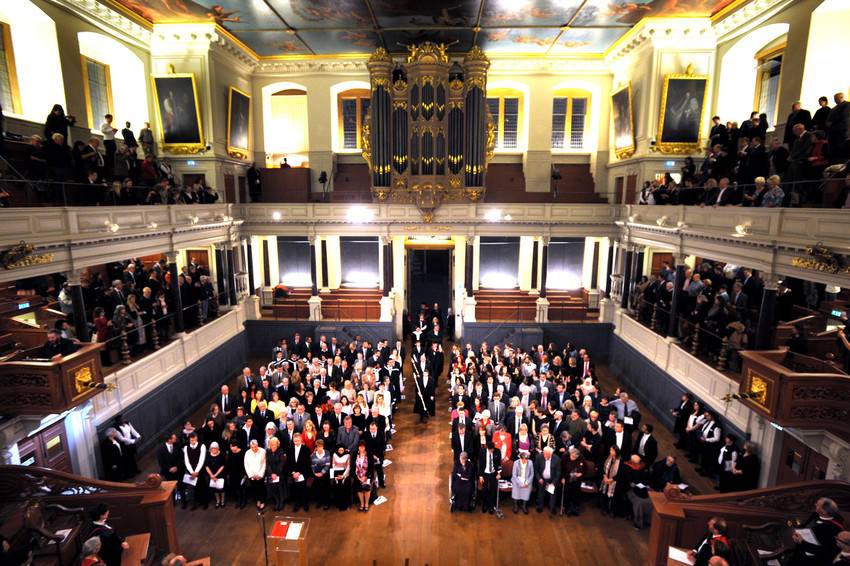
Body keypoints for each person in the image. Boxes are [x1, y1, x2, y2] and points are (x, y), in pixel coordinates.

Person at [789, 497, 845, 565]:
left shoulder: (835, 528)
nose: (815, 504)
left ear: (824, 512)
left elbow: (825, 552)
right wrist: (796, 531)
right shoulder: (815, 514)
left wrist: (802, 542)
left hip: (812, 559)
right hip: (799, 550)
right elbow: (805, 525)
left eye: (818, 505)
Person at [287, 432, 312, 511]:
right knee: (296, 488)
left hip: (303, 472)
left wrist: (299, 472)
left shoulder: (306, 449)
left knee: (303, 488)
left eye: (298, 441)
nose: (296, 442)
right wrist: (293, 473)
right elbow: (289, 463)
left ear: (301, 440)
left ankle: (305, 503)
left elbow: (307, 463)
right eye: (295, 441)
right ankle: (297, 503)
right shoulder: (290, 449)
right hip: (294, 473)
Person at [534, 446, 561, 515]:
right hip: (542, 479)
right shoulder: (539, 457)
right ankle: (539, 506)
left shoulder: (557, 459)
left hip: (551, 480)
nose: (545, 456)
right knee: (540, 494)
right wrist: (539, 478)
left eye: (547, 454)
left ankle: (552, 508)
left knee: (552, 494)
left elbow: (558, 472)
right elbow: (536, 469)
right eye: (544, 454)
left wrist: (554, 482)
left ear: (551, 454)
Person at [183, 432, 206, 510]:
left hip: (199, 470)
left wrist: (196, 471)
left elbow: (201, 460)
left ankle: (203, 503)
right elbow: (186, 461)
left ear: (196, 438)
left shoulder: (202, 446)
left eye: (193, 439)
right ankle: (194, 504)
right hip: (191, 471)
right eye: (191, 440)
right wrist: (191, 472)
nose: (192, 441)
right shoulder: (186, 447)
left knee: (201, 486)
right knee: (192, 488)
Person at [478, 441, 501, 514]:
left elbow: (498, 463)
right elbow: (480, 464)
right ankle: (484, 505)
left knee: (493, 489)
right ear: (487, 448)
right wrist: (481, 476)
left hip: (493, 473)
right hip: (485, 473)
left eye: (492, 450)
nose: (492, 451)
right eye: (490, 450)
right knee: (484, 489)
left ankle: (491, 506)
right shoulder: (482, 452)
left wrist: (499, 473)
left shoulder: (497, 451)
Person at [244, 439, 266, 510]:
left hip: (260, 474)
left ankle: (262, 501)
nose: (254, 448)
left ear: (257, 445)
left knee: (261, 488)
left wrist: (260, 474)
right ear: (250, 446)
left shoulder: (263, 451)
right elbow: (246, 465)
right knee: (255, 488)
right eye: (252, 447)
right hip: (252, 475)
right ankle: (258, 500)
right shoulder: (247, 453)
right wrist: (251, 475)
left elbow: (264, 464)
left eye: (255, 447)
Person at [265, 436, 287, 512]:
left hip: (279, 473)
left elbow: (282, 463)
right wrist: (271, 473)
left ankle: (281, 502)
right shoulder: (268, 451)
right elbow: (267, 464)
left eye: (274, 444)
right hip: (271, 473)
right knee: (273, 488)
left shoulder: (281, 451)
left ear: (277, 444)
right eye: (271, 444)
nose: (273, 446)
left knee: (279, 488)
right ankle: (276, 501)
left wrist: (276, 473)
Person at [511, 450, 534, 514]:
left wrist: (527, 482)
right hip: (517, 480)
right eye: (523, 460)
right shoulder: (516, 463)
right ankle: (515, 505)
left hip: (526, 480)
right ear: (520, 458)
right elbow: (514, 475)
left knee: (526, 491)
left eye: (526, 460)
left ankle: (524, 506)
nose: (525, 461)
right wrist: (520, 483)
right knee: (516, 490)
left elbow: (532, 474)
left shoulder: (530, 463)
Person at [310, 439, 331, 510]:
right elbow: (312, 465)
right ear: (316, 447)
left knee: (325, 487)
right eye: (318, 446)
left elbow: (327, 464)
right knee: (318, 487)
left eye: (321, 446)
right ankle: (319, 501)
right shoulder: (313, 455)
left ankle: (326, 502)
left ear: (323, 446)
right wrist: (315, 473)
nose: (319, 448)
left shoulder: (327, 453)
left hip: (325, 473)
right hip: (316, 473)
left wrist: (322, 472)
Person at [226, 439, 247, 509]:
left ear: (237, 446)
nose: (231, 448)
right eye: (231, 446)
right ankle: (239, 500)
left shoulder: (242, 452)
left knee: (242, 488)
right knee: (236, 488)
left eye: (233, 446)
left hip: (241, 474)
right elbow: (228, 463)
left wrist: (244, 474)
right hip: (233, 474)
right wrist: (228, 473)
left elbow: (245, 464)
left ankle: (244, 501)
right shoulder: (230, 453)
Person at [205, 441, 226, 508]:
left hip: (220, 474)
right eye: (212, 448)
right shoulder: (208, 455)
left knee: (222, 489)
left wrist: (216, 475)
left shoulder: (222, 454)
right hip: (212, 474)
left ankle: (222, 501)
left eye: (215, 448)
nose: (214, 450)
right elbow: (206, 466)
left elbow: (223, 465)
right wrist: (211, 475)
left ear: (218, 448)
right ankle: (218, 501)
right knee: (215, 489)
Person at [353, 441, 373, 512]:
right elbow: (353, 466)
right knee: (359, 490)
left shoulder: (369, 454)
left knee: (367, 489)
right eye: (360, 446)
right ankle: (362, 504)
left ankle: (366, 504)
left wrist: (366, 476)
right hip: (358, 476)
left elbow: (371, 467)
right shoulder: (355, 454)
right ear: (358, 447)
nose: (361, 448)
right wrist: (357, 477)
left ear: (365, 447)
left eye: (363, 446)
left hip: (367, 475)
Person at [331, 445, 352, 510]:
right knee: (337, 487)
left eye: (342, 450)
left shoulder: (347, 455)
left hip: (345, 473)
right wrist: (337, 475)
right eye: (339, 450)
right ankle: (338, 503)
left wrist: (343, 476)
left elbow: (348, 466)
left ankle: (345, 504)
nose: (341, 451)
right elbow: (333, 465)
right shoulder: (334, 455)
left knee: (345, 487)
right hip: (337, 473)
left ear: (344, 450)